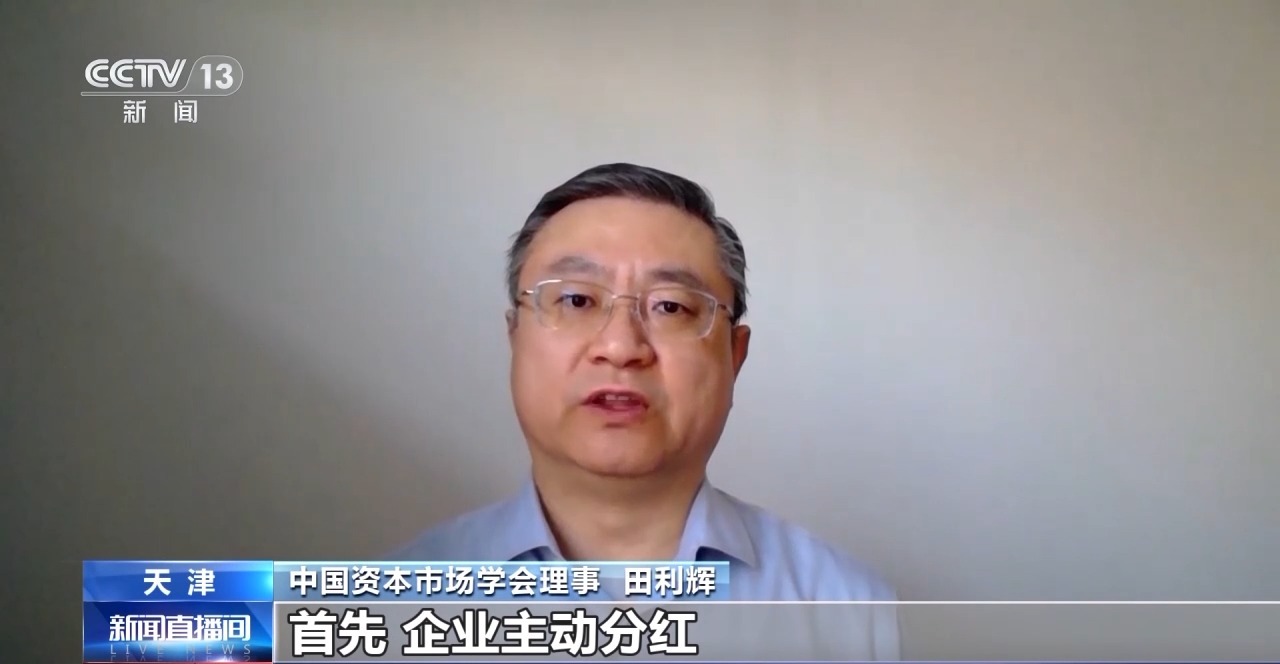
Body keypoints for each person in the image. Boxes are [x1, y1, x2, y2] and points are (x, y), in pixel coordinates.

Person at [394, 163, 900, 659]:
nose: (620, 347)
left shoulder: (851, 615)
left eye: (671, 307)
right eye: (576, 300)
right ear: (515, 337)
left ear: (734, 356)